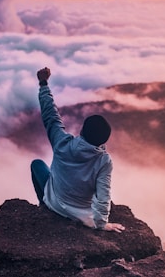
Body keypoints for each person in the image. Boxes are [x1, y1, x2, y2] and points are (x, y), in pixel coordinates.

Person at [31, 67, 125, 233]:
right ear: (104, 141)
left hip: (55, 204)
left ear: (82, 130)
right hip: (82, 216)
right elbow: (104, 196)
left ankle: (44, 204)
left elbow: (50, 116)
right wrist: (102, 224)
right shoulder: (104, 161)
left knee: (37, 164)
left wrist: (43, 84)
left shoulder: (62, 143)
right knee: (100, 188)